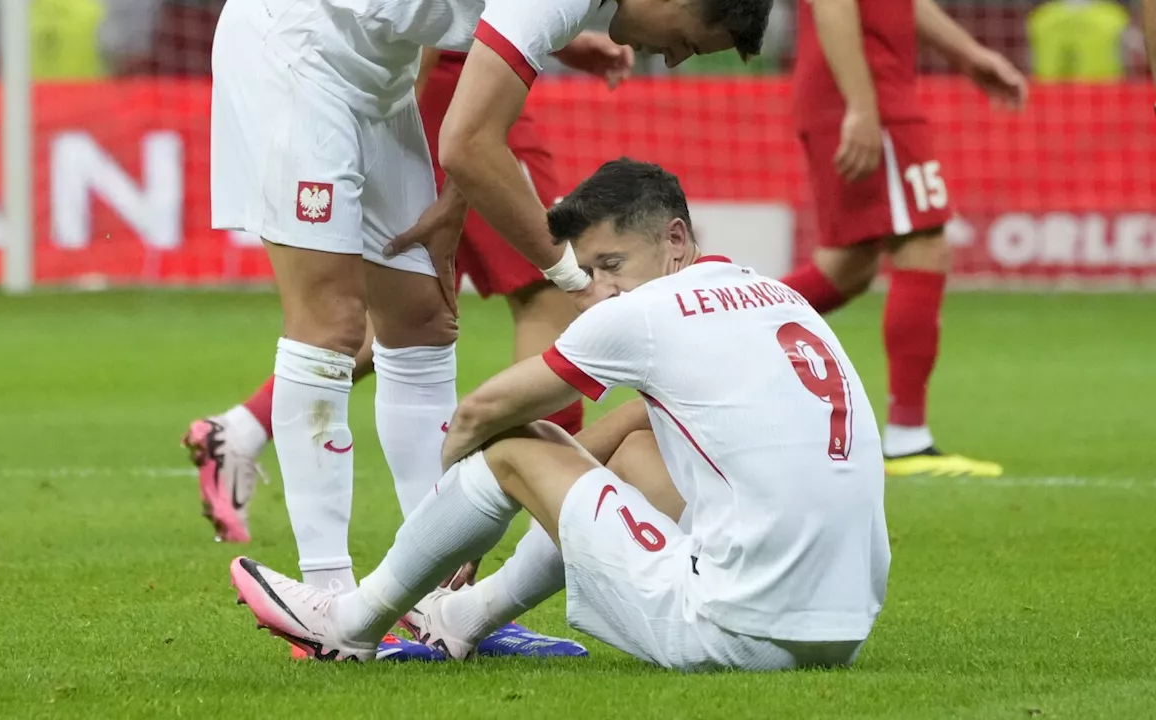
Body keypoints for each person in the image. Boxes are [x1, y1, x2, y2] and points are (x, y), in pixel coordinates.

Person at [225, 159, 890, 671]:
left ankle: (351, 622)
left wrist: (463, 521)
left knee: (514, 445)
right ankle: (459, 620)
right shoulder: (771, 291)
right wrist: (563, 473)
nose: (596, 292)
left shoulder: (643, 314)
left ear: (676, 240)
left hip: (735, 632)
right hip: (841, 631)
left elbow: (480, 414)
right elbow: (634, 425)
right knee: (629, 456)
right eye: (585, 272)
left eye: (611, 265)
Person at [184, 41, 614, 660]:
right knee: (336, 315)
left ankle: (436, 601)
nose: (675, 57)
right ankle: (329, 608)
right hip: (316, 63)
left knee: (422, 314)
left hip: (402, 87)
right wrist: (576, 277)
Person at [779, 0, 1026, 478]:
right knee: (923, 245)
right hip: (865, 93)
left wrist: (969, 53)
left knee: (847, 267)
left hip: (859, 91)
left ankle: (718, 321)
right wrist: (863, 106)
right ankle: (908, 438)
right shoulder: (864, 97)